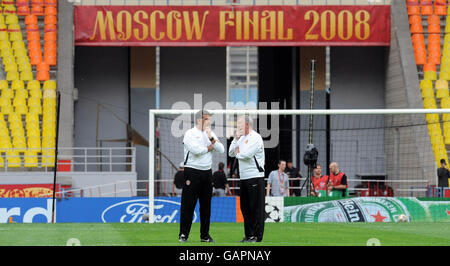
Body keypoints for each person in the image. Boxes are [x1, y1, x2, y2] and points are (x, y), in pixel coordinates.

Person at [178, 110, 224, 243]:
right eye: (206, 119)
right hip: (192, 172)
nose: (209, 121)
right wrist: (210, 147)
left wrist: (211, 138)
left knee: (206, 206)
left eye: (209, 119)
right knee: (188, 205)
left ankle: (205, 236)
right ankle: (183, 235)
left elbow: (221, 149)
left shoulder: (210, 133)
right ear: (199, 120)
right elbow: (196, 150)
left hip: (207, 173)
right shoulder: (190, 133)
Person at [228, 115, 265, 243]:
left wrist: (238, 153)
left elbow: (246, 154)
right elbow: (230, 153)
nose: (237, 127)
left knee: (255, 207)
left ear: (247, 125)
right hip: (243, 177)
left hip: (255, 176)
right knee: (245, 207)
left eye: (239, 124)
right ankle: (248, 235)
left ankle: (256, 236)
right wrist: (235, 140)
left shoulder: (256, 137)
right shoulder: (240, 138)